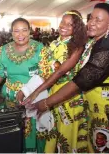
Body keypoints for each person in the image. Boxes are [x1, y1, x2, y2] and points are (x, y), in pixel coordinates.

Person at [32, 3, 109, 153]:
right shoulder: (95, 40)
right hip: (97, 107)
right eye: (91, 18)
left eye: (98, 20)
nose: (91, 23)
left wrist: (47, 103)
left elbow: (82, 80)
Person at [16, 10, 88, 153]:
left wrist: (35, 92)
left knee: (67, 137)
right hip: (53, 93)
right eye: (63, 22)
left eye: (70, 24)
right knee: (52, 133)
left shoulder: (76, 47)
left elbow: (60, 72)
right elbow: (45, 71)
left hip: (68, 96)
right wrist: (26, 90)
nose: (64, 26)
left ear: (77, 28)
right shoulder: (53, 44)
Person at [0, 17, 52, 152]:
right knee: (11, 135)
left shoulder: (40, 49)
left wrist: (26, 90)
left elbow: (45, 75)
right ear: (11, 33)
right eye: (16, 31)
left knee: (30, 134)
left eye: (24, 30)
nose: (20, 35)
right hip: (8, 98)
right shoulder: (3, 50)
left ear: (30, 31)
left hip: (32, 97)